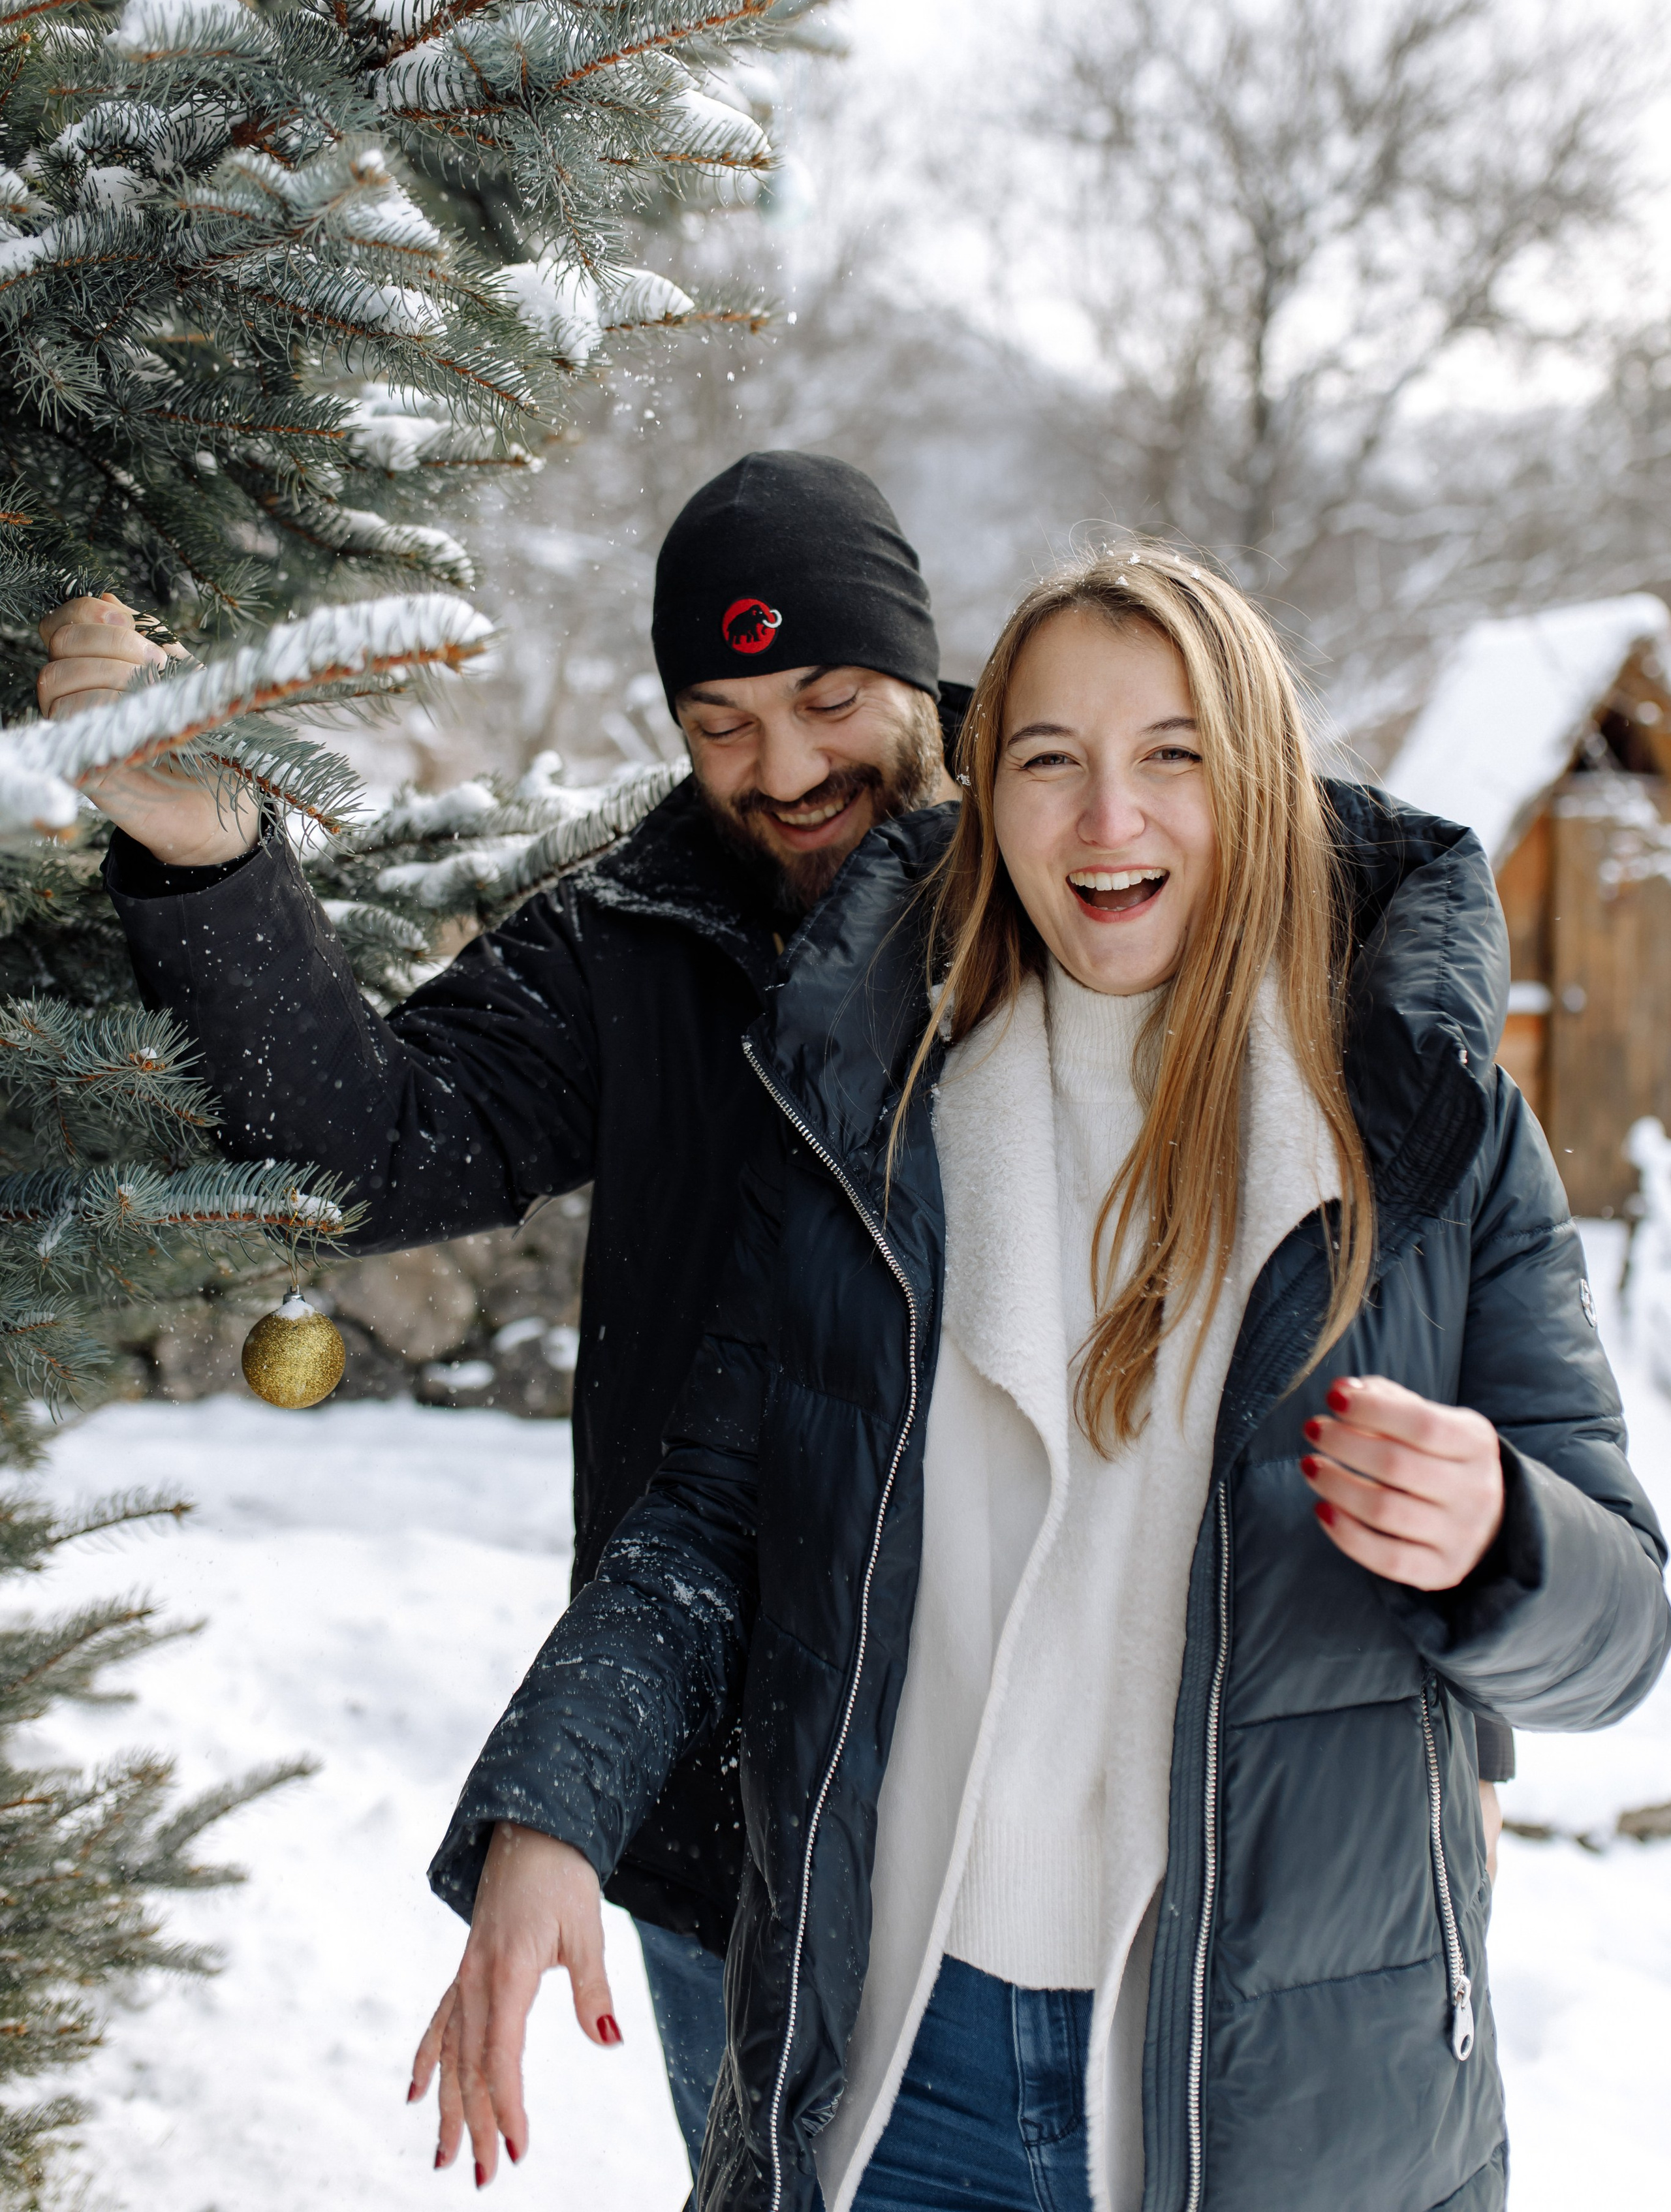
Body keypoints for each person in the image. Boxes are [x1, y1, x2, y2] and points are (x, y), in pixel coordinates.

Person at [416, 546, 1670, 2211]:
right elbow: (707, 1523)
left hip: (1282, 2120)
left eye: (1172, 756)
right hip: (890, 2080)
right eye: (1048, 760)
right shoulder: (868, 1109)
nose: (1107, 823)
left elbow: (1621, 1631)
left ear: (1264, 777)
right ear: (982, 789)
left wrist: (1503, 1533)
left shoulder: (1426, 1127)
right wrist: (547, 1815)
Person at [35, 450, 960, 2188]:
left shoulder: (1075, 886)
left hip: (1015, 1785)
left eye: (832, 701)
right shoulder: (639, 930)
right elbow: (374, 1145)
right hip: (720, 1803)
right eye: (721, 723)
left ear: (917, 671)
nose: (785, 771)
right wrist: (211, 855)